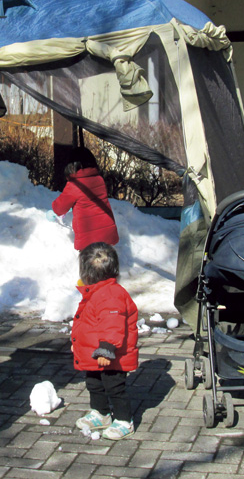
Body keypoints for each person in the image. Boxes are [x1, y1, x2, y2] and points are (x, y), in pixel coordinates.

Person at [71, 242, 138, 440]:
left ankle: (125, 420)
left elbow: (113, 324)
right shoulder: (95, 292)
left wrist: (106, 349)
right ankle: (101, 413)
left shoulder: (110, 294)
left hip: (111, 355)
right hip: (95, 353)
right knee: (94, 384)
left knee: (114, 387)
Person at [51, 147, 119, 250]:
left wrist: (54, 205)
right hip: (108, 235)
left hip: (88, 241)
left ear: (70, 166)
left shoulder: (74, 185)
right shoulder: (99, 180)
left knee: (91, 264)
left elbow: (59, 208)